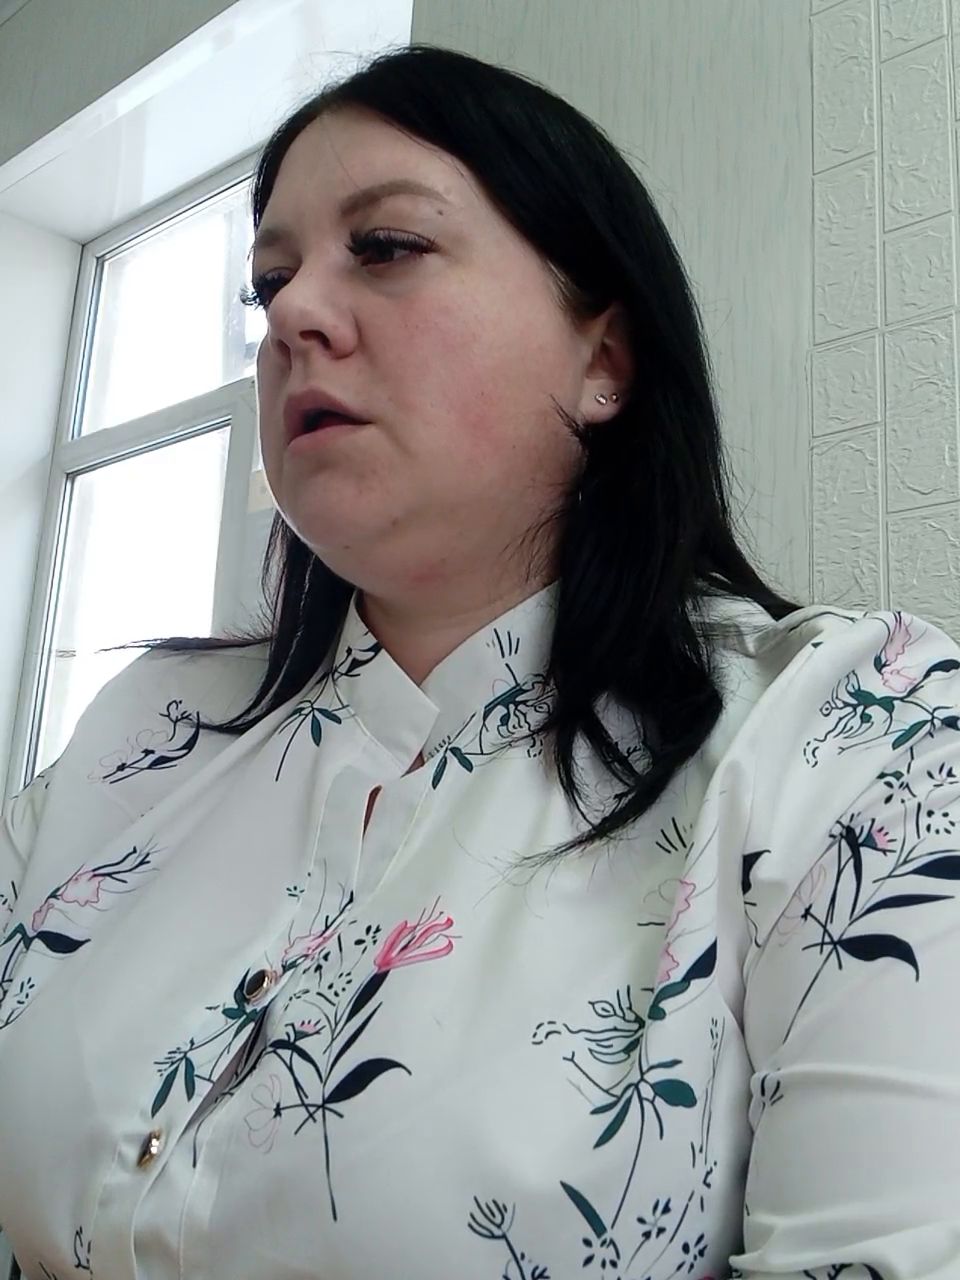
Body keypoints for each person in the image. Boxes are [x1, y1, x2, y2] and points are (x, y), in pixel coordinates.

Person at [0, 42, 957, 1280]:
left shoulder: (854, 741)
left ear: (604, 360)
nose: (289, 313)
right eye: (269, 279)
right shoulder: (141, 730)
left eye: (387, 246)